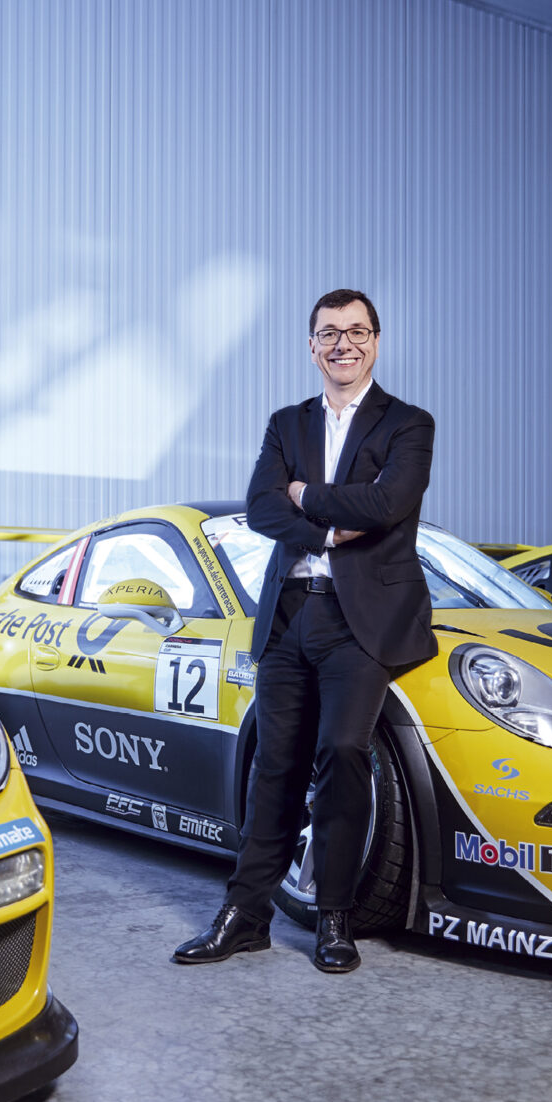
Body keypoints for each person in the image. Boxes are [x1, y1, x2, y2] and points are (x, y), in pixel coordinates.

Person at [173, 288, 436, 973]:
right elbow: (262, 508)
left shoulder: (409, 424)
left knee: (343, 754)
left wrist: (305, 495)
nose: (343, 343)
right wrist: (325, 527)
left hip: (361, 621)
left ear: (375, 341)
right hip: (289, 612)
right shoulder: (286, 424)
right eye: (329, 333)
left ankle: (334, 917)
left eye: (356, 331)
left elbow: (388, 503)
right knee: (274, 766)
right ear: (312, 346)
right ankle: (245, 916)